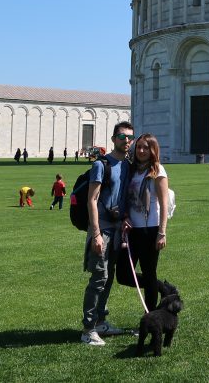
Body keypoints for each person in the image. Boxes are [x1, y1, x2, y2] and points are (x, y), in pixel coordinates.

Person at [81, 121, 133, 346]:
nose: (127, 140)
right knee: (98, 278)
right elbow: (91, 200)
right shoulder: (101, 165)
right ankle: (88, 329)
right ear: (113, 139)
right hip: (102, 230)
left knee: (108, 276)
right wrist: (96, 234)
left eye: (130, 137)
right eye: (122, 137)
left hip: (117, 230)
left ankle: (101, 321)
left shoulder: (129, 165)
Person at [116, 133, 169, 312]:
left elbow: (164, 204)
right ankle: (159, 287)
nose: (141, 151)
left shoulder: (157, 171)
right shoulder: (132, 170)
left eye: (146, 147)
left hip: (150, 229)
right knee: (123, 275)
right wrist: (125, 217)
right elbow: (126, 198)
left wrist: (162, 232)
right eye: (138, 147)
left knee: (149, 272)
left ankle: (151, 317)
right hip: (131, 230)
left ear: (153, 150)